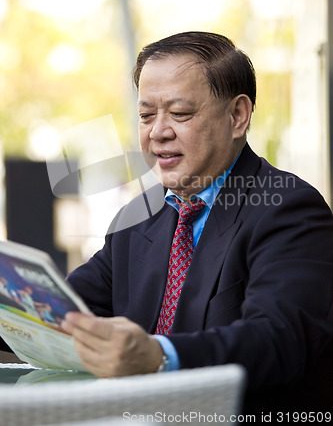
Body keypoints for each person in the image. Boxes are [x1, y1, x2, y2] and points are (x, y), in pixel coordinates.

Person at [50, 32, 333, 415]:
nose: (157, 132)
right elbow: (61, 312)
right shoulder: (137, 217)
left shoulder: (289, 208)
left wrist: (157, 356)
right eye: (146, 115)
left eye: (180, 113)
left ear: (237, 116)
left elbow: (278, 341)